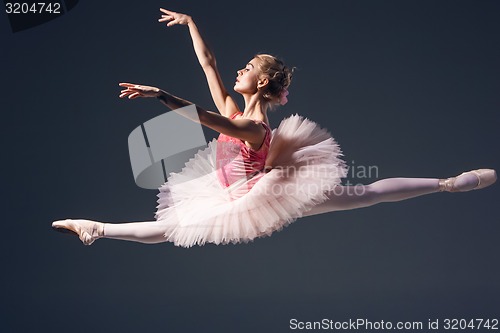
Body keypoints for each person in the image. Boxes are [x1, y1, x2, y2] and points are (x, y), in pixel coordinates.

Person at [52, 9, 497, 248]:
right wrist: (191, 24)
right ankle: (96, 228)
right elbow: (208, 65)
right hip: (238, 192)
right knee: (175, 226)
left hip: (266, 195)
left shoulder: (253, 126)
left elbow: (204, 118)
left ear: (261, 81)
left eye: (247, 67)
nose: (239, 70)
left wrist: (160, 95)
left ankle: (447, 184)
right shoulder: (234, 104)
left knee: (365, 194)